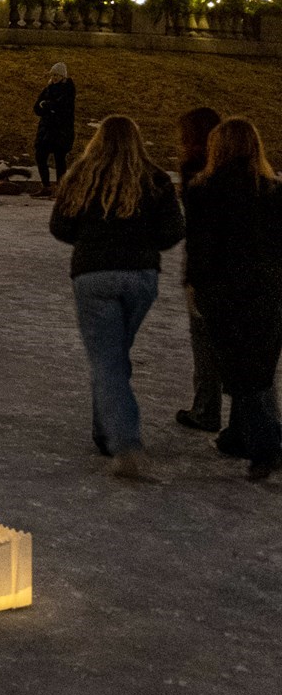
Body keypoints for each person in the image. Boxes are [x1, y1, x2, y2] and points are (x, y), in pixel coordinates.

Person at [49, 115, 185, 479]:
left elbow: (60, 226)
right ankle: (105, 432)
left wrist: (93, 242)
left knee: (107, 360)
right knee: (113, 355)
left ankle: (125, 444)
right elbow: (174, 231)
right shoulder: (155, 178)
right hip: (140, 277)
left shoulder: (81, 174)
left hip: (93, 276)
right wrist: (139, 244)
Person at [181, 117, 282, 479]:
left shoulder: (203, 190)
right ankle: (240, 435)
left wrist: (196, 286)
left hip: (225, 291)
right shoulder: (272, 190)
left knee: (240, 370)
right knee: (259, 366)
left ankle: (267, 445)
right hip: (270, 291)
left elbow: (200, 246)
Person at [174, 107, 225, 433]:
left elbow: (196, 227)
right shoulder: (239, 169)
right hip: (237, 269)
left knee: (205, 339)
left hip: (208, 268)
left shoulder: (197, 173)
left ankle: (207, 408)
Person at [32, 62, 76, 198]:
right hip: (46, 130)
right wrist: (46, 107)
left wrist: (48, 105)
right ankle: (46, 186)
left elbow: (62, 107)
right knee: (40, 155)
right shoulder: (48, 89)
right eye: (53, 75)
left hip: (61, 130)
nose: (55, 77)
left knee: (59, 158)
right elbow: (37, 107)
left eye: (57, 75)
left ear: (63, 76)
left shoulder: (68, 89)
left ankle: (60, 188)